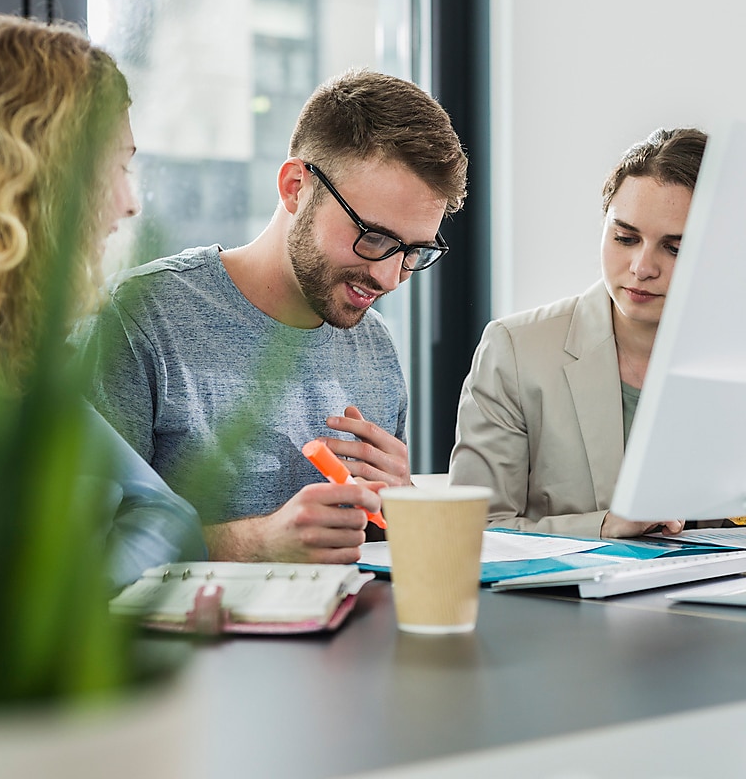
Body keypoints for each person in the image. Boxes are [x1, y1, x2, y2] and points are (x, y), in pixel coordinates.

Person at [80, 68, 468, 563]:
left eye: (414, 251)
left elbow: (370, 549)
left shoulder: (376, 347)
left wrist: (401, 509)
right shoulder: (139, 320)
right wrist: (257, 543)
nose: (390, 277)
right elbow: (84, 559)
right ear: (294, 188)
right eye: (373, 238)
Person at [0, 14, 206, 590]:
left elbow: (173, 521)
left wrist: (60, 599)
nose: (129, 202)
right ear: (38, 176)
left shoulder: (7, 351)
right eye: (114, 166)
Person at [449, 127, 707, 538]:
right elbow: (473, 529)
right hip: (566, 601)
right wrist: (602, 526)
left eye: (674, 248)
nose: (642, 267)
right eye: (625, 237)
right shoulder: (516, 352)